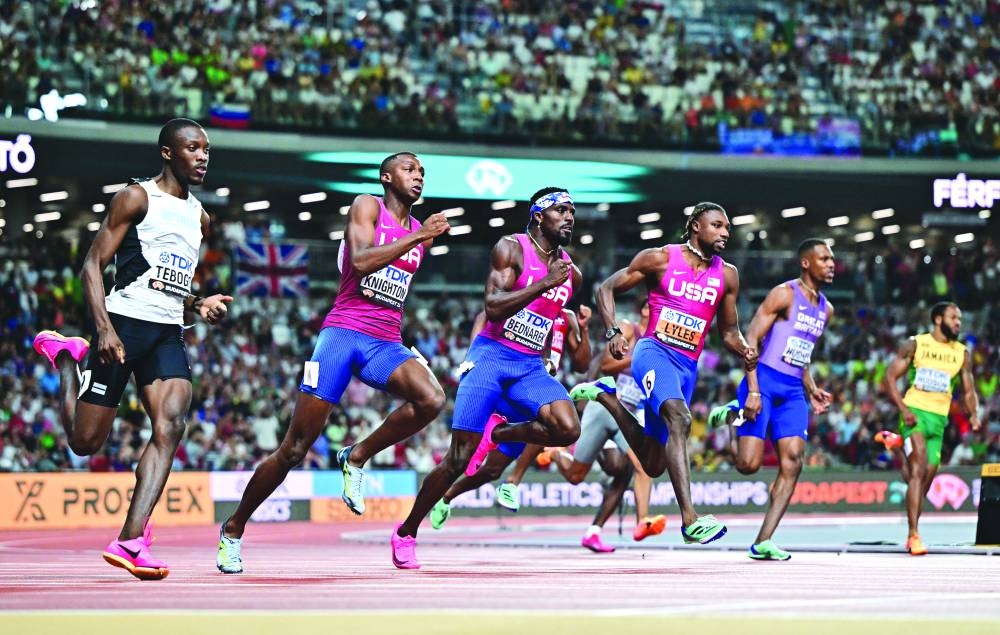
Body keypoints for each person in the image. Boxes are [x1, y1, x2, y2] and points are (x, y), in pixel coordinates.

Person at [216, 152, 450, 574]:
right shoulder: (367, 205)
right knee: (294, 449)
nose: (418, 176)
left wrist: (419, 236)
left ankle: (356, 456)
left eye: (422, 172)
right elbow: (360, 263)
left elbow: (392, 281)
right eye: (409, 169)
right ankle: (233, 530)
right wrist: (417, 239)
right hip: (342, 334)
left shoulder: (421, 231)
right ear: (386, 176)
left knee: (432, 398)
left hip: (385, 341)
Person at [32, 118, 233, 580]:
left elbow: (168, 282)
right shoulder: (137, 196)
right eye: (193, 148)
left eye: (206, 150)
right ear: (168, 152)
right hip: (123, 325)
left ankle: (131, 538)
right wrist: (103, 330)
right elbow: (91, 265)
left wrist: (199, 304)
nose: (203, 157)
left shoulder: (200, 216)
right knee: (84, 443)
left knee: (172, 424)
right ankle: (68, 360)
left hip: (166, 332)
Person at [391, 187, 584, 569]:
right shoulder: (510, 248)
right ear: (538, 216)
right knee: (458, 460)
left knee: (567, 428)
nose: (569, 217)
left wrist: (546, 351)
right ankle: (407, 531)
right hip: (492, 358)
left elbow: (546, 319)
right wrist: (544, 282)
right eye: (561, 210)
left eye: (572, 212)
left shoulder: (571, 273)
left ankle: (499, 433)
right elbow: (493, 308)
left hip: (529, 365)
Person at [589, 201, 757, 545]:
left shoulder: (727, 275)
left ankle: (607, 397)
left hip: (686, 367)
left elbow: (727, 332)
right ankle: (690, 520)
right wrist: (613, 332)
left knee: (652, 463)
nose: (725, 232)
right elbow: (605, 288)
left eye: (727, 227)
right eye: (717, 225)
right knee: (679, 419)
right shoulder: (661, 258)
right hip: (653, 353)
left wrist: (744, 349)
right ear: (696, 225)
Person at [706, 238, 836, 560]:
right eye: (824, 258)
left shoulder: (826, 309)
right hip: (762, 380)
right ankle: (733, 414)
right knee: (747, 465)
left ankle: (763, 541)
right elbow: (750, 338)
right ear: (806, 263)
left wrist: (811, 387)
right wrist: (751, 390)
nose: (831, 264)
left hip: (792, 391)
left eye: (832, 259)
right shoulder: (784, 294)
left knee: (793, 462)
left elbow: (801, 351)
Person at [429, 305, 590, 526]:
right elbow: (484, 314)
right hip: (514, 383)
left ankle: (447, 497)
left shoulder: (566, 316)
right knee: (465, 455)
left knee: (493, 470)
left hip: (539, 387)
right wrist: (474, 359)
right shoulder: (527, 296)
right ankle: (512, 481)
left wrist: (584, 328)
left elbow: (582, 365)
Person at [876, 302, 980, 556]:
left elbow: (968, 390)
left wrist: (974, 414)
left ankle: (899, 446)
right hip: (915, 414)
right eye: (953, 317)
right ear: (937, 319)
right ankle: (913, 535)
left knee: (923, 480)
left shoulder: (961, 353)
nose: (958, 322)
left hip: (939, 421)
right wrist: (904, 409)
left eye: (960, 318)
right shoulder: (916, 344)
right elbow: (888, 379)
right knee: (918, 466)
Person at [565, 296, 665, 550]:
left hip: (629, 414)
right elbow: (607, 364)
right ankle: (556, 454)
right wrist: (641, 357)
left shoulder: (663, 344)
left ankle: (639, 522)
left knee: (635, 467)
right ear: (645, 309)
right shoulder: (630, 329)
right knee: (577, 476)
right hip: (604, 408)